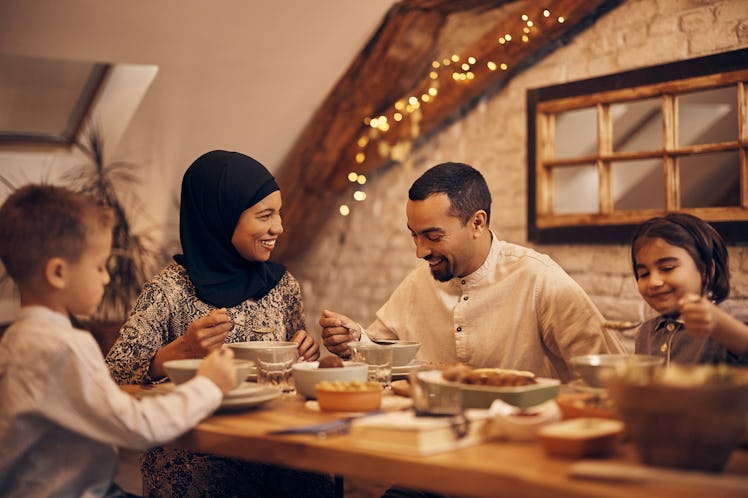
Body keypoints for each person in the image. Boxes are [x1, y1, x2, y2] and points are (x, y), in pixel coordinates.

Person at [105, 150, 332, 497]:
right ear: (221, 219)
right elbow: (112, 377)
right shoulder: (168, 292)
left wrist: (306, 353)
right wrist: (180, 351)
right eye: (265, 215)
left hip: (278, 452)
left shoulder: (282, 284)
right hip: (198, 468)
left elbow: (292, 373)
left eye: (279, 213)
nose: (279, 227)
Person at [0, 184, 237, 498]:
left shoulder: (15, 339)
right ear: (58, 273)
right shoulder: (65, 347)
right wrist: (209, 384)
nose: (106, 278)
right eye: (99, 266)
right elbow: (137, 426)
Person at [321, 162, 623, 383]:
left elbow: (610, 373)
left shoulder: (538, 278)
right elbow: (381, 354)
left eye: (433, 236)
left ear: (477, 223)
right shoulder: (418, 282)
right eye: (414, 235)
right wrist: (354, 338)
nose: (420, 251)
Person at [630, 212, 748, 365]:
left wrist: (720, 325)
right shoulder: (646, 333)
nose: (653, 282)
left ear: (706, 271)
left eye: (667, 268)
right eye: (644, 274)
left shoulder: (729, 318)